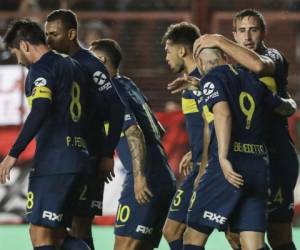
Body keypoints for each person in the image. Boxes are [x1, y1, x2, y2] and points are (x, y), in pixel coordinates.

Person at [168, 45, 297, 249]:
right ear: (225, 57)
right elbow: (284, 108)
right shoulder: (252, 79)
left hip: (228, 168)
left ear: (200, 63)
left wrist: (222, 158)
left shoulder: (212, 79)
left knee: (192, 236)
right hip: (258, 166)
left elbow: (223, 114)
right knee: (252, 243)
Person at [193, 9, 299, 250]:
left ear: (263, 33)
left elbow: (259, 66)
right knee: (236, 233)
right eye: (241, 31)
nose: (247, 36)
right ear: (235, 34)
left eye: (253, 30)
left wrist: (218, 40)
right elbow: (220, 115)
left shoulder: (273, 57)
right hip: (246, 159)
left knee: (278, 234)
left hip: (277, 157)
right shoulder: (233, 72)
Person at [0, 19, 91, 250]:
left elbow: (40, 109)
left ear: (24, 46)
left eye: (15, 53)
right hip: (80, 158)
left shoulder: (41, 68)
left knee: (40, 234)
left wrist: (13, 153)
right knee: (58, 234)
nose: (18, 60)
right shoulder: (74, 66)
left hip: (55, 162)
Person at [45, 9, 125, 250]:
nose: (48, 40)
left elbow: (117, 109)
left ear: (71, 34)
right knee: (54, 225)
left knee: (79, 226)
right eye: (46, 34)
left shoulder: (91, 65)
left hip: (88, 158)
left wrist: (106, 154)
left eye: (54, 34)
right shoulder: (55, 65)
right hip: (63, 158)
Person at [90, 38, 176, 250]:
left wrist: (139, 177)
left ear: (101, 61)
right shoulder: (128, 84)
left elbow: (134, 132)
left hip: (145, 181)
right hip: (164, 178)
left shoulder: (111, 90)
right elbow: (159, 130)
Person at [161, 21, 209, 250]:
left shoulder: (204, 81)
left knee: (238, 236)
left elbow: (221, 121)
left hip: (211, 167)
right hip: (201, 160)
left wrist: (204, 161)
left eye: (168, 51)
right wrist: (195, 150)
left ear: (182, 50)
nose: (166, 57)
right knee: (172, 230)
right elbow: (205, 123)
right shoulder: (187, 85)